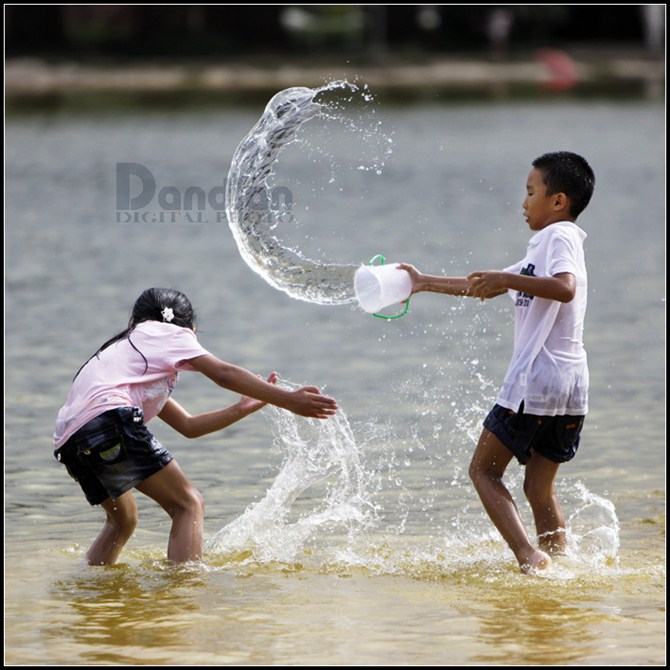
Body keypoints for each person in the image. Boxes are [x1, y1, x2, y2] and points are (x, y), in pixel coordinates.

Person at [400, 151, 595, 573]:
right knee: (538, 489)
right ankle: (561, 565)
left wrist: (506, 279)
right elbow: (482, 286)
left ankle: (530, 556)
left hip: (536, 381)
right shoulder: (542, 251)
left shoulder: (558, 238)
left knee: (483, 472)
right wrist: (423, 283)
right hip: (570, 386)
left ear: (558, 201)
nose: (523, 203)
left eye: (530, 192)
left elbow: (565, 289)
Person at [53, 287, 338, 566]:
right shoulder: (164, 331)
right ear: (189, 329)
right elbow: (224, 373)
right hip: (109, 419)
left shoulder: (125, 359)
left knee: (122, 520)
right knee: (188, 503)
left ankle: (94, 592)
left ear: (133, 321)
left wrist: (239, 408)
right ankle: (185, 596)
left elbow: (189, 426)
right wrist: (289, 400)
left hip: (70, 441)